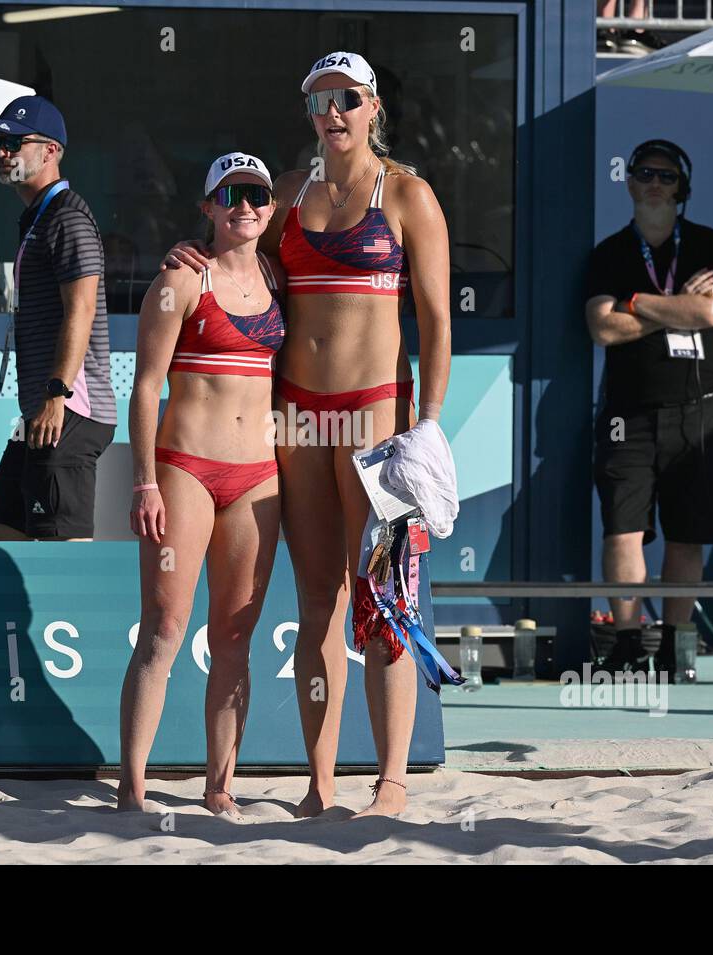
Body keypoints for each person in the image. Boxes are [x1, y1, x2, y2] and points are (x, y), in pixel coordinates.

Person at [165, 52, 452, 818]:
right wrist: (190, 257)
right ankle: (320, 783)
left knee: (385, 599)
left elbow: (437, 323)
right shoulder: (286, 196)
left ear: (374, 106)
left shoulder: (410, 197)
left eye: (347, 100)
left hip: (375, 421)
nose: (334, 113)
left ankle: (390, 781)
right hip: (297, 417)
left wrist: (427, 426)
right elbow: (240, 270)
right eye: (321, 101)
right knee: (316, 602)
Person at [119, 153, 286, 816]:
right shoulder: (182, 277)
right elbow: (144, 385)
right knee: (162, 628)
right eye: (231, 195)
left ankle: (220, 786)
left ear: (271, 207)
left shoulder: (281, 276)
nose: (245, 206)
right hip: (185, 467)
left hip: (257, 475)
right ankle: (131, 787)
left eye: (257, 195)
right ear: (209, 207)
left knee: (235, 637)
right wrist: (145, 483)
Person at [584, 139, 713, 678]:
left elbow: (710, 313)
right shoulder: (610, 253)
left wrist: (636, 302)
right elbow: (602, 327)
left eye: (666, 176)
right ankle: (627, 641)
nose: (654, 182)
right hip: (630, 411)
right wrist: (678, 310)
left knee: (688, 532)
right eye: (644, 172)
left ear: (682, 189)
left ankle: (676, 643)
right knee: (622, 530)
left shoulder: (707, 244)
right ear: (628, 182)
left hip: (700, 410)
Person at [0, 96, 117, 541]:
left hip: (70, 407)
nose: (2, 151)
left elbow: (82, 308)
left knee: (64, 551)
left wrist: (57, 392)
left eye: (15, 142)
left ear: (50, 151)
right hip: (42, 410)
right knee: (0, 533)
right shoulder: (40, 216)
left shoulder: (67, 216)